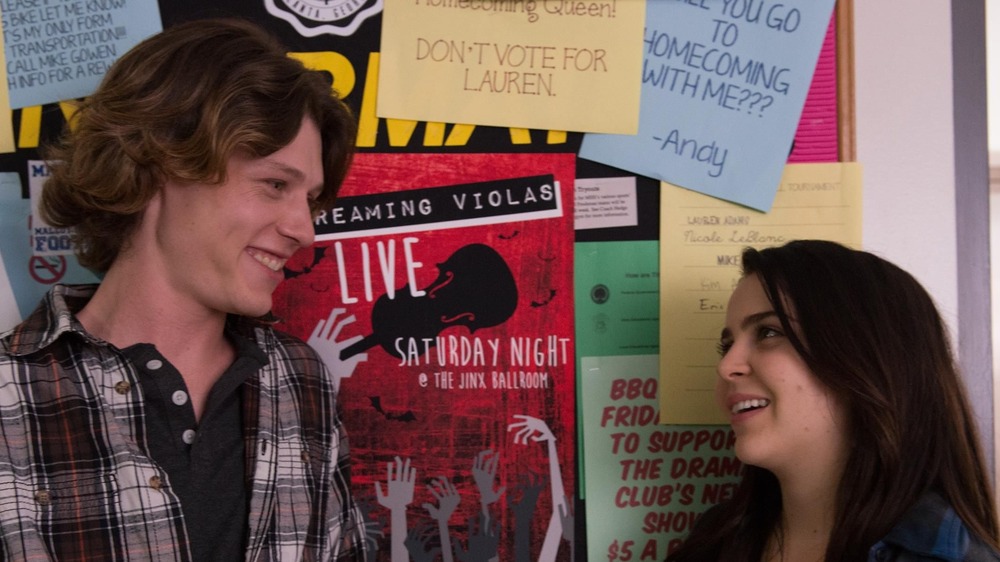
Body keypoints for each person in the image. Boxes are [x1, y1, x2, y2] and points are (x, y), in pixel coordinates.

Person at [0, 18, 371, 561]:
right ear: (157, 166)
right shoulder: (10, 394)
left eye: (309, 200)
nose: (304, 230)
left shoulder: (301, 383)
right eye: (275, 185)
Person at [666, 240, 1000, 562]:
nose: (726, 367)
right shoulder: (713, 541)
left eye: (768, 332)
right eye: (727, 346)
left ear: (868, 359)